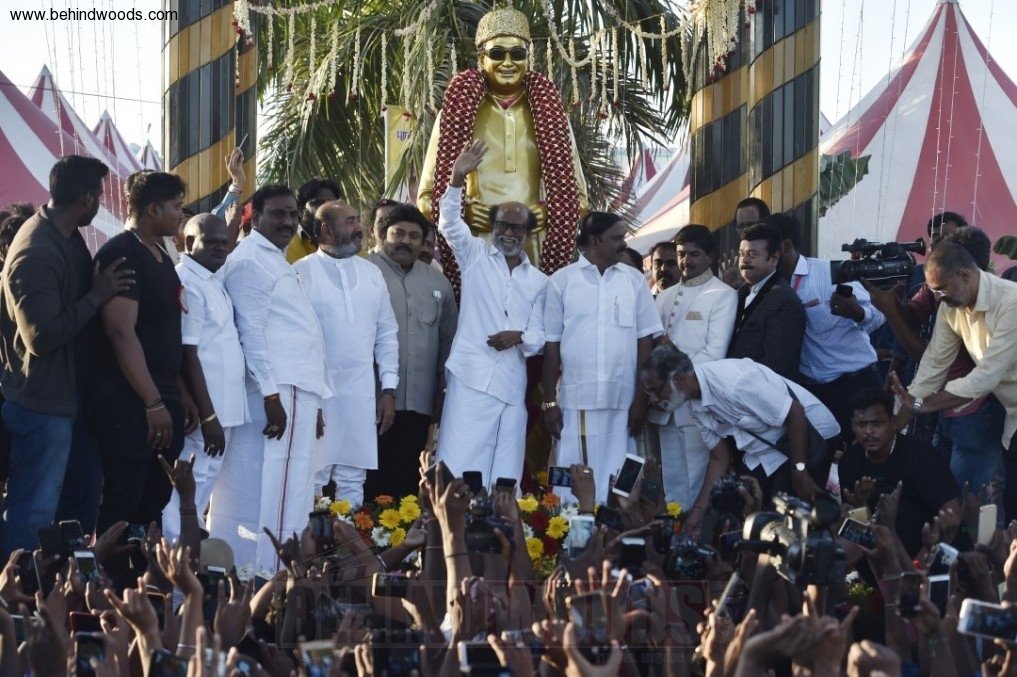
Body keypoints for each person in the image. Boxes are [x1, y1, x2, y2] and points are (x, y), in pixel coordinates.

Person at [0, 157, 131, 554]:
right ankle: (18, 601)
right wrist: (98, 296)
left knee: (81, 495)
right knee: (33, 512)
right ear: (88, 197)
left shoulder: (66, 234)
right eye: (100, 197)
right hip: (41, 404)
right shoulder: (36, 250)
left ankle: (59, 589)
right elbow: (41, 336)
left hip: (67, 401)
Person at [417, 6, 588, 291]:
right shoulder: (459, 110)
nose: (508, 63)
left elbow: (579, 199)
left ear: (528, 58)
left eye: (517, 54)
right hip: (475, 248)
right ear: (481, 58)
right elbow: (426, 198)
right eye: (498, 54)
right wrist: (465, 212)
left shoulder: (549, 113)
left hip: (534, 251)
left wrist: (545, 214)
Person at [213, 184, 332, 571]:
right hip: (276, 391)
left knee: (274, 487)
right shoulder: (251, 260)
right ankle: (271, 580)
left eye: (293, 214)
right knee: (277, 491)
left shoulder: (274, 259)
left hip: (292, 391)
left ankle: (251, 575)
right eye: (278, 214)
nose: (287, 221)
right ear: (255, 216)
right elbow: (251, 332)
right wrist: (269, 395)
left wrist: (314, 399)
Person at [436, 141, 548, 488]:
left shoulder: (541, 282)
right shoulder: (475, 257)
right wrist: (456, 179)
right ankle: (450, 533)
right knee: (458, 460)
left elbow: (541, 336)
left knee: (504, 468)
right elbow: (450, 225)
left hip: (511, 383)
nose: (508, 233)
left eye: (516, 228)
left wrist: (520, 337)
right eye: (502, 225)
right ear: (492, 226)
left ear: (528, 234)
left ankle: (500, 537)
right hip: (470, 375)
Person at [90, 171, 194, 533]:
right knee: (122, 502)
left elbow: (165, 333)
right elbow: (120, 332)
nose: (182, 215)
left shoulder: (161, 255)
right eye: (176, 207)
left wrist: (180, 395)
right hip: (130, 404)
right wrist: (153, 403)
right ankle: (106, 588)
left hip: (162, 399)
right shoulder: (122, 253)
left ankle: (142, 585)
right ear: (153, 208)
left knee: (153, 505)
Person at [640, 346, 839, 532]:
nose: (652, 399)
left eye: (655, 390)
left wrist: (800, 472)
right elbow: (720, 458)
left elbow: (795, 412)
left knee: (785, 517)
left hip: (811, 435)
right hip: (767, 447)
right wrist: (698, 512)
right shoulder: (693, 402)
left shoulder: (733, 383)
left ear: (679, 379)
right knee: (745, 504)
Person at [867, 227, 1004, 494]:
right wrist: (895, 302)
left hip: (976, 415)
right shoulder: (944, 281)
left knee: (969, 497)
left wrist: (890, 312)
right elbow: (914, 314)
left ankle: (980, 536)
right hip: (948, 410)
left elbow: (928, 357)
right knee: (941, 490)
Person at [891, 242, 1017, 522]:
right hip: (1012, 415)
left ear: (964, 275)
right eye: (934, 292)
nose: (938, 298)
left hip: (1000, 408)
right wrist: (902, 415)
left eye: (942, 289)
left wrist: (922, 404)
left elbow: (985, 377)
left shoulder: (1011, 301)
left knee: (995, 504)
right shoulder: (952, 305)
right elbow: (935, 363)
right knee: (1004, 503)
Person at [542, 211, 662, 503]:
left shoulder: (634, 280)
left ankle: (620, 537)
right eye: (617, 238)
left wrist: (641, 399)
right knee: (571, 481)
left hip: (623, 404)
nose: (624, 243)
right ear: (595, 241)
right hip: (575, 404)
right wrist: (549, 402)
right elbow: (551, 346)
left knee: (625, 480)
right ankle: (568, 539)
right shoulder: (562, 281)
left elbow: (645, 340)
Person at [294, 201, 399, 506]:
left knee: (353, 477)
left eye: (357, 220)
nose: (358, 228)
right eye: (350, 222)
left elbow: (387, 335)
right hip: (316, 395)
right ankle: (306, 547)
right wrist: (305, 400)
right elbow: (295, 344)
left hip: (360, 393)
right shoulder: (300, 273)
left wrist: (388, 389)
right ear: (326, 229)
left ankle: (350, 548)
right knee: (311, 476)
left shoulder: (371, 274)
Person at [161, 214, 248, 545]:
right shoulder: (188, 281)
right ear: (188, 243)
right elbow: (188, 353)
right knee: (186, 489)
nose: (219, 249)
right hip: (205, 412)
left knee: (202, 489)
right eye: (210, 242)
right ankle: (175, 562)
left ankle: (190, 565)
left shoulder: (210, 279)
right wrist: (208, 415)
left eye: (223, 243)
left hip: (223, 408)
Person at [366, 204, 457, 501]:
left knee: (407, 482)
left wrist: (444, 393)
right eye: (398, 234)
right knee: (367, 480)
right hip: (369, 400)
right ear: (382, 235)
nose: (406, 241)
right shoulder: (363, 273)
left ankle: (403, 544)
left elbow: (448, 343)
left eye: (414, 236)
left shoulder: (438, 283)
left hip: (419, 403)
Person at [771, 212, 885, 443]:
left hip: (855, 385)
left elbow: (878, 317)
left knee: (865, 458)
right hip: (812, 392)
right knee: (823, 463)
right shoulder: (767, 285)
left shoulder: (829, 272)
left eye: (768, 247)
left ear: (786, 245)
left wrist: (857, 312)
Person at [647, 225, 736, 506]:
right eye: (682, 254)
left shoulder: (723, 294)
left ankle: (696, 540)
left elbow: (714, 353)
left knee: (696, 482)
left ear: (710, 256)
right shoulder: (663, 296)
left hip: (697, 406)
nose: (687, 261)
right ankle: (673, 541)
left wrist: (672, 385)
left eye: (694, 254)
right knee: (671, 484)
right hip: (663, 408)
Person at [839, 388, 961, 556]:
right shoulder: (850, 462)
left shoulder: (921, 457)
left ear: (893, 423)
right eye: (862, 424)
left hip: (925, 547)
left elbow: (951, 510)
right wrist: (860, 506)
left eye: (877, 423)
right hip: (878, 546)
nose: (869, 432)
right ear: (853, 427)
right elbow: (856, 521)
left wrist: (920, 565)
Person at [727, 222, 805, 381]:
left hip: (760, 392)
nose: (745, 260)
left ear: (774, 258)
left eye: (753, 254)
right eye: (742, 254)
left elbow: (776, 366)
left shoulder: (784, 301)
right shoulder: (741, 292)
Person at [719, 197, 772, 287]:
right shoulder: (727, 270)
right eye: (741, 226)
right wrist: (730, 289)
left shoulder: (777, 261)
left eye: (751, 225)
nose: (746, 230)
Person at [287, 178, 342, 264]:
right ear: (301, 209)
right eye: (319, 203)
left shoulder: (346, 242)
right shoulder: (285, 244)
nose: (326, 208)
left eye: (332, 203)